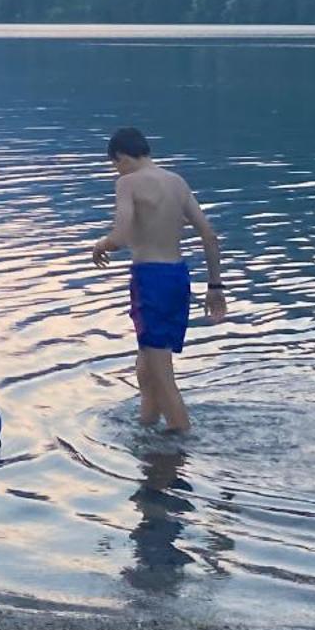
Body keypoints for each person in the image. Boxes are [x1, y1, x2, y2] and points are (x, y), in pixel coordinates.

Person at [89, 126, 225, 432]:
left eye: (115, 163)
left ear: (121, 157)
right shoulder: (176, 182)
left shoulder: (127, 182)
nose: (116, 169)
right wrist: (215, 287)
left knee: (162, 376)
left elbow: (121, 235)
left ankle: (180, 444)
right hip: (178, 277)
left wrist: (101, 245)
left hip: (150, 280)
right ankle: (147, 427)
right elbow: (210, 236)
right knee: (146, 366)